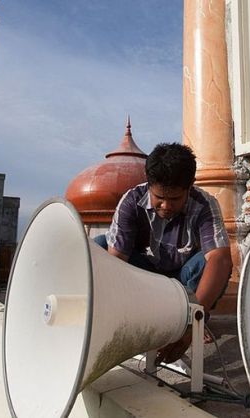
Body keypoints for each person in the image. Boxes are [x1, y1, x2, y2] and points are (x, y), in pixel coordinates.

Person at [94, 142, 232, 363]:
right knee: (100, 245)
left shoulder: (204, 204)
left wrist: (192, 323)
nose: (166, 206)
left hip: (184, 281)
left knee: (214, 263)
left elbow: (219, 259)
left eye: (175, 199)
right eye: (159, 197)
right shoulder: (131, 202)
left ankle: (195, 317)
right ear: (149, 185)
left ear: (190, 187)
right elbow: (116, 263)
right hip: (146, 278)